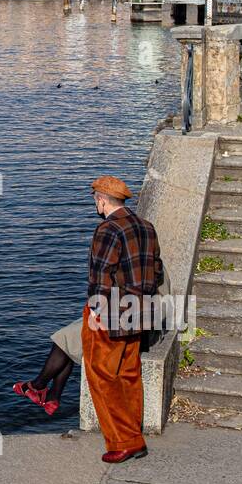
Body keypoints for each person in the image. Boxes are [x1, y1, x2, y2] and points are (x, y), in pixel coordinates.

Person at [82, 175, 163, 463]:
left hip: (113, 312)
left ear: (102, 200)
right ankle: (134, 437)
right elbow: (157, 271)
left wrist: (96, 312)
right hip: (140, 311)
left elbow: (101, 275)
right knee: (129, 374)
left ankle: (124, 441)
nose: (96, 204)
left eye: (95, 200)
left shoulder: (107, 229)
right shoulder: (146, 227)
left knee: (102, 375)